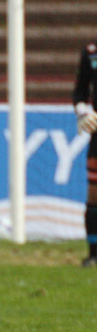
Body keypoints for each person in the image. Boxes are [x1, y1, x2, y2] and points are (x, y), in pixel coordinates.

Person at [73, 38, 97, 267]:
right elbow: (80, 92)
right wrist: (83, 112)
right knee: (94, 195)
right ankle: (93, 255)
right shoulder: (91, 52)